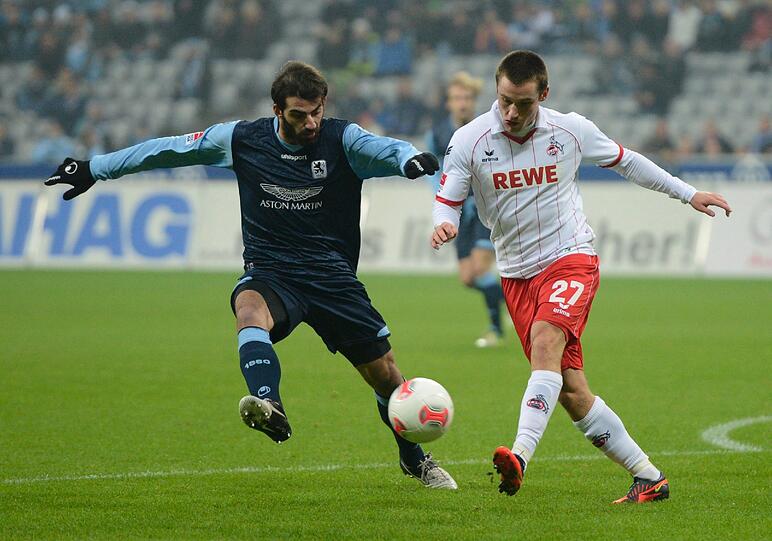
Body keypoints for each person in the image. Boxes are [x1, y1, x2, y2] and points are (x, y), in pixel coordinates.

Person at [45, 61, 457, 490]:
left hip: (332, 278)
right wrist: (95, 168)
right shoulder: (241, 139)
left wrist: (409, 160)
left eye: (317, 111)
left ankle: (414, 459)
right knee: (249, 310)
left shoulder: (342, 138)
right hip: (272, 270)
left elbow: (386, 148)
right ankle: (268, 403)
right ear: (277, 110)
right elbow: (168, 149)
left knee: (386, 376)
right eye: (299, 114)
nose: (311, 122)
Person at [431, 50, 732, 503]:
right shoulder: (469, 140)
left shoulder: (571, 130)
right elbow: (448, 197)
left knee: (545, 342)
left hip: (569, 257)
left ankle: (519, 456)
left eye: (523, 104)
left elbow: (629, 162)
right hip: (516, 274)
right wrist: (444, 222)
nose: (511, 113)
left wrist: (687, 193)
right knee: (571, 391)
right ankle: (649, 478)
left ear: (544, 95)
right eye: (505, 101)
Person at [426, 71, 505, 348]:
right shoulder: (437, 135)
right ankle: (513, 299)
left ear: (474, 101)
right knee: (468, 278)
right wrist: (445, 203)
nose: (462, 103)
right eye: (457, 98)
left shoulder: (487, 130)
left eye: (467, 98)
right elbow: (434, 174)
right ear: (449, 102)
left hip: (486, 210)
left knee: (481, 269)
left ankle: (496, 330)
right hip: (458, 213)